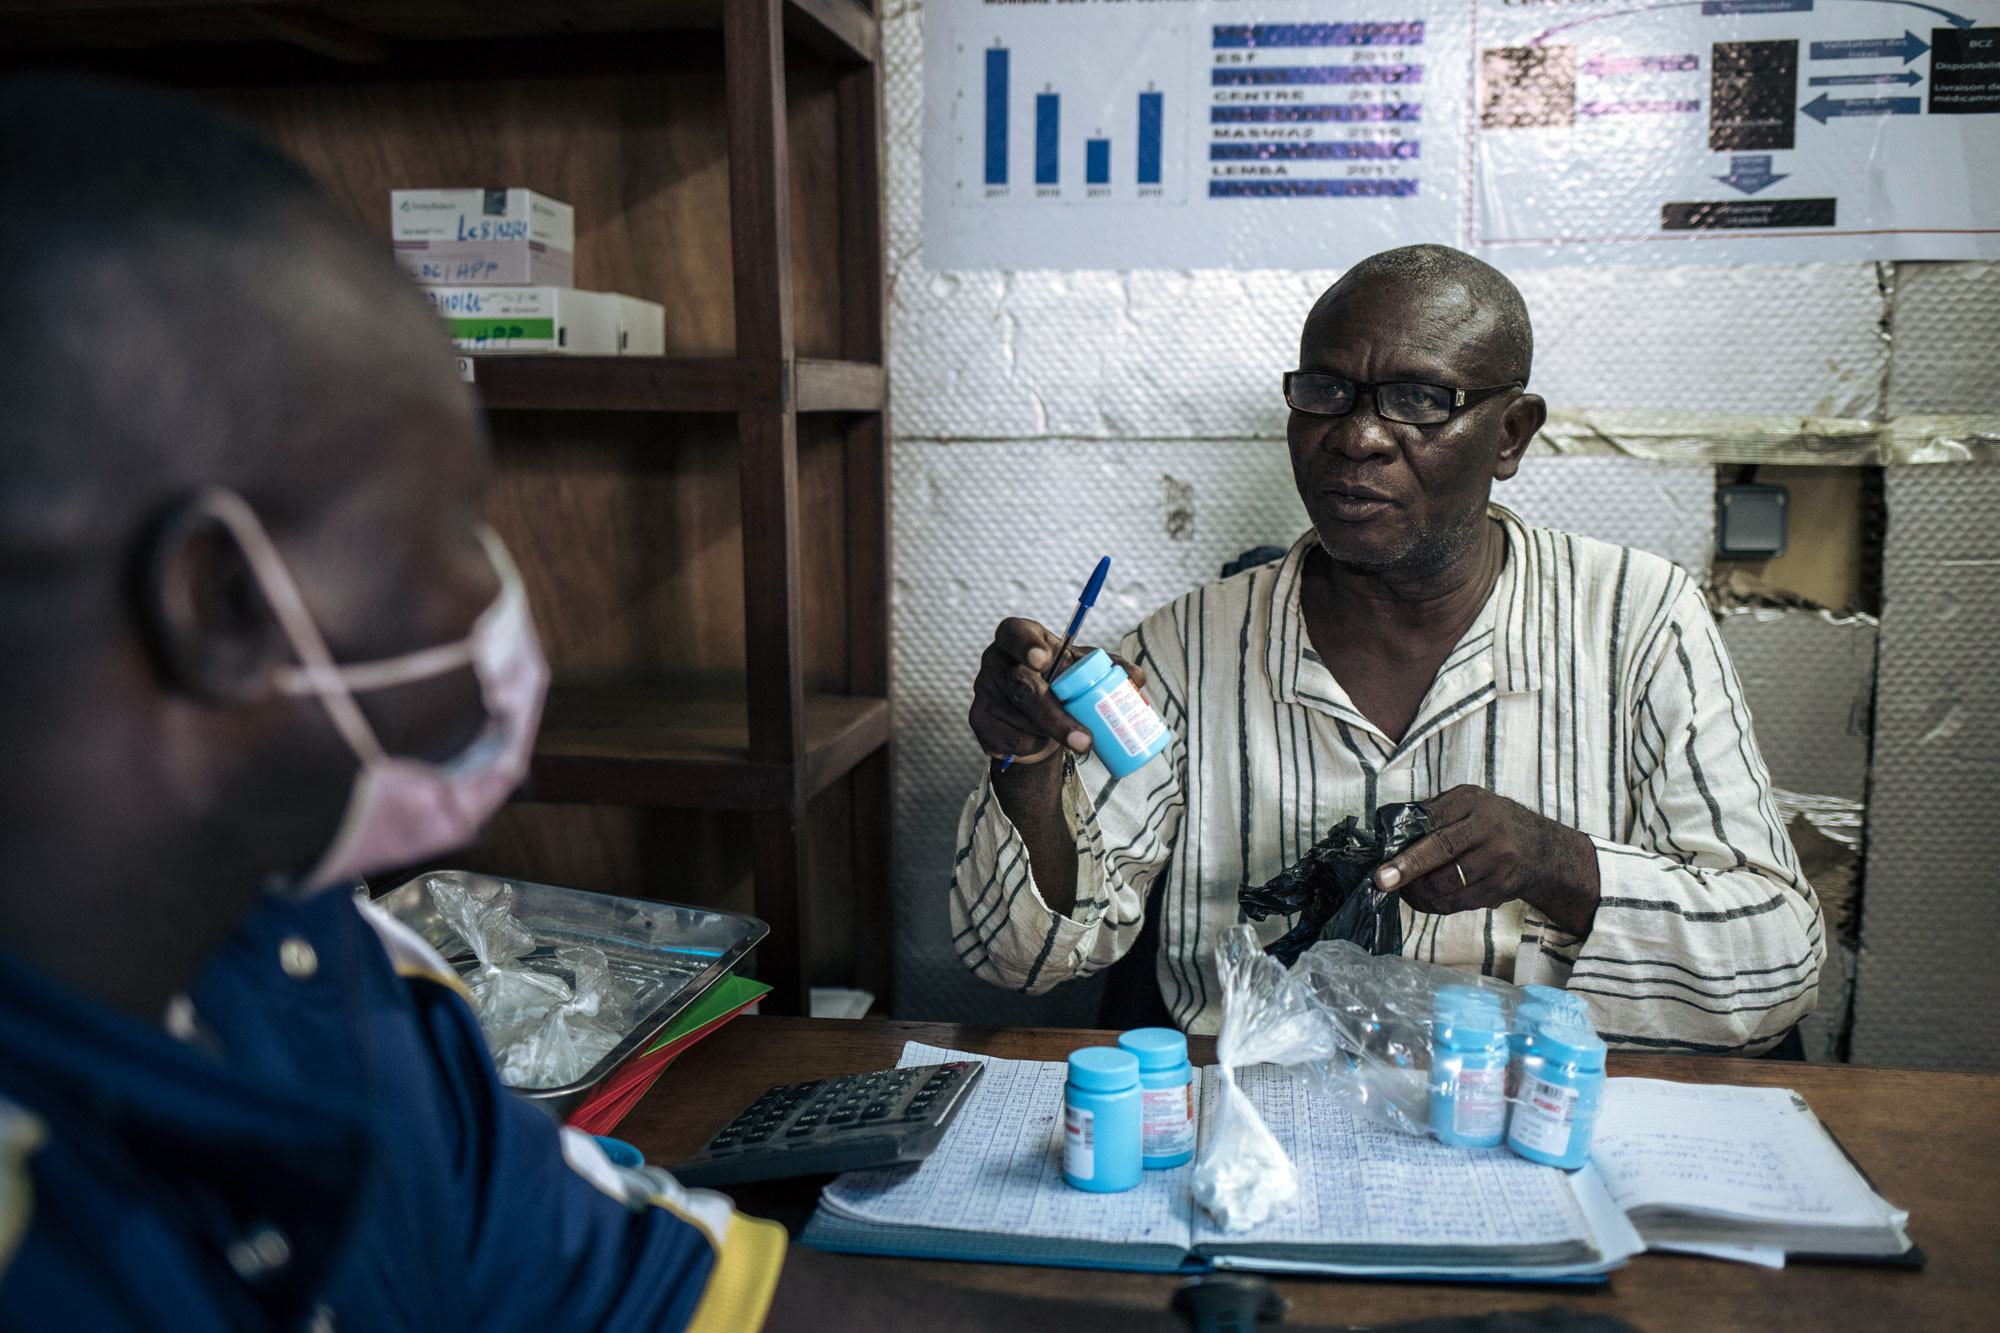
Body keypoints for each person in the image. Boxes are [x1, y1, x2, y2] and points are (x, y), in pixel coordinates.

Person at [0, 77, 1176, 1332]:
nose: (495, 592)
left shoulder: (335, 979)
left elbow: (654, 1288)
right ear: (225, 601)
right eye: (445, 520)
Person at [957, 244, 1823, 1054]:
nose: (1357, 435)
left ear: (1512, 434)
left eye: (1418, 400)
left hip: (1527, 1113)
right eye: (1327, 392)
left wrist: (1555, 863)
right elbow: (1017, 959)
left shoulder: (1637, 619)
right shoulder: (1183, 652)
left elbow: (1779, 959)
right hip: (1256, 1120)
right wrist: (1028, 765)